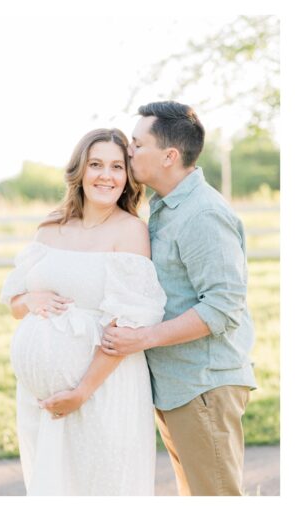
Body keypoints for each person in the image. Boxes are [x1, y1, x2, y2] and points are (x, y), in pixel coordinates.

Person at [101, 101, 257, 496]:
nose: (128, 150)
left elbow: (223, 306)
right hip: (178, 385)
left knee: (216, 498)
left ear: (169, 155)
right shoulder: (165, 208)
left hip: (202, 386)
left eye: (137, 144)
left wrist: (144, 337)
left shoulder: (201, 214)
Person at [0, 128, 167, 495]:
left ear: (127, 177)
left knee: (100, 488)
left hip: (103, 390)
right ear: (80, 170)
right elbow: (15, 303)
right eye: (96, 164)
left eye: (116, 166)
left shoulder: (130, 231)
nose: (105, 175)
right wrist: (31, 300)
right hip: (39, 402)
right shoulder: (51, 226)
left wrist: (81, 392)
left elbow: (127, 325)